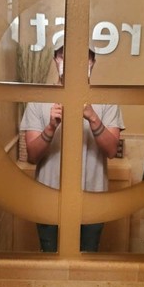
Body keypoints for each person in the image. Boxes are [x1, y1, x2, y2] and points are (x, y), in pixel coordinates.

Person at [20, 41, 125, 252]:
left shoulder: (107, 100)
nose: (72, 62)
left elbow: (112, 150)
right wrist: (51, 127)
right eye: (64, 55)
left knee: (86, 262)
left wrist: (93, 117)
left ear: (92, 62)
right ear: (55, 60)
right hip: (49, 200)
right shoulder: (39, 100)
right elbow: (32, 156)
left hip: (93, 200)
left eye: (83, 56)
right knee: (50, 261)